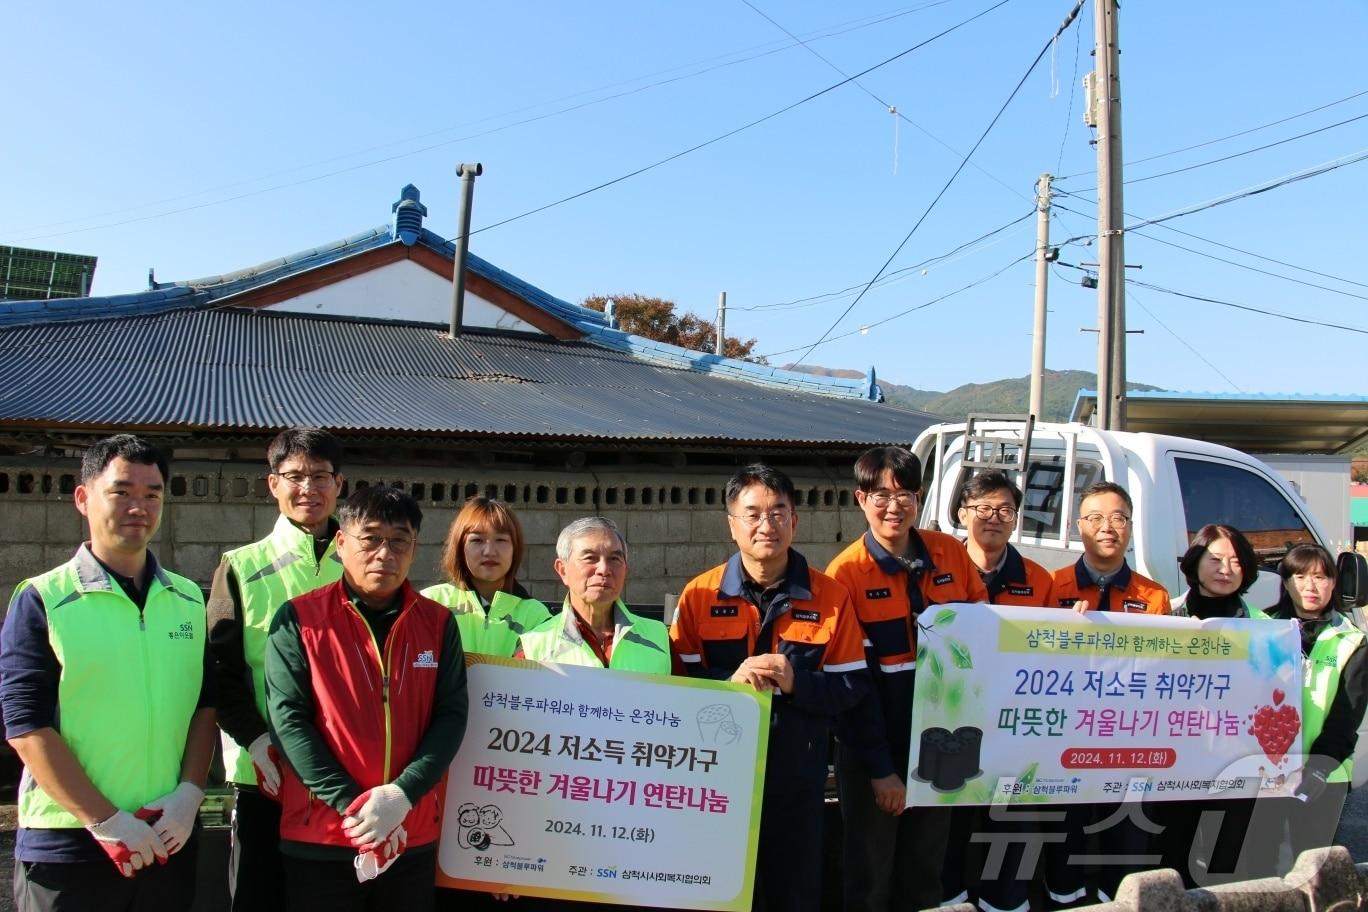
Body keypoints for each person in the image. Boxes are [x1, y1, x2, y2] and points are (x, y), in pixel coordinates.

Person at [1, 434, 216, 911]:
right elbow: (27, 727)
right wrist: (106, 820)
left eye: (152, 494)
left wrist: (189, 794)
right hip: (71, 841)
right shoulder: (43, 598)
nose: (138, 506)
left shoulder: (186, 598)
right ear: (83, 498)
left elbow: (203, 703)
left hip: (166, 834)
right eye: (121, 491)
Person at [671, 464, 868, 912]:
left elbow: (852, 686)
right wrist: (729, 683)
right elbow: (676, 688)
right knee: (714, 891)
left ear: (795, 521)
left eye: (779, 511)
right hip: (713, 782)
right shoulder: (698, 596)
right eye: (754, 513)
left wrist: (798, 682)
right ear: (732, 524)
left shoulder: (831, 597)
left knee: (792, 893)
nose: (767, 524)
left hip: (796, 784)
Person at [265, 485, 469, 912]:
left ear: (414, 548)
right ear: (341, 543)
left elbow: (450, 716)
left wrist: (401, 798)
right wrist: (355, 811)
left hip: (409, 834)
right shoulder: (299, 619)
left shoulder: (436, 623)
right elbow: (288, 721)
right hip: (322, 836)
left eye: (399, 541)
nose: (384, 553)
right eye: (371, 538)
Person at [824, 447, 987, 912]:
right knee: (869, 875)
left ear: (919, 497)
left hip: (941, 745)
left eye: (904, 494)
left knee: (925, 870)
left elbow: (982, 632)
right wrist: (880, 770)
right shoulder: (846, 575)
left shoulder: (951, 553)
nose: (893, 506)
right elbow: (851, 685)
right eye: (880, 494)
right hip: (876, 749)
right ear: (861, 499)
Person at [208, 427, 346, 911]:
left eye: (320, 476)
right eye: (295, 476)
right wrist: (256, 740)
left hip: (345, 773)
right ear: (273, 485)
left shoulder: (364, 566)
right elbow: (219, 672)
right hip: (263, 773)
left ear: (339, 484)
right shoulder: (240, 567)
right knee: (257, 895)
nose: (308, 488)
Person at [1046, 480, 1171, 906]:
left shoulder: (1153, 596)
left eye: (1118, 518)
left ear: (1131, 527)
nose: (1107, 527)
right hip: (1067, 746)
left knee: (1128, 848)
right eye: (1096, 518)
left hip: (1130, 746)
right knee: (1066, 849)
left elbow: (1162, 672)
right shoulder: (1052, 588)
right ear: (1078, 525)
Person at [953, 470, 1056, 912]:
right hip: (952, 725)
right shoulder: (938, 571)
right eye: (983, 508)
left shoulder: (1039, 579)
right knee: (949, 829)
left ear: (1016, 519)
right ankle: (952, 899)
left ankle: (1006, 903)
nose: (993, 518)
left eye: (1005, 510)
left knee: (1012, 829)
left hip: (1016, 729)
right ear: (962, 514)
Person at [1248, 543, 1368, 875]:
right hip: (1265, 771)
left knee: (1314, 867)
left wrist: (1318, 768)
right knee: (1259, 864)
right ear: (1284, 581)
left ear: (1334, 583)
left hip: (1323, 775)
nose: (1311, 586)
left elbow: (1348, 716)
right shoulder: (1260, 629)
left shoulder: (1351, 641)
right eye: (1300, 576)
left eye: (1321, 576)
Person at [1155, 524, 1263, 886]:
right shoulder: (1165, 619)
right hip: (1174, 763)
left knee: (1225, 863)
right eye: (1215, 559)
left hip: (1237, 764)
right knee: (1170, 861)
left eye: (1235, 561)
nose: (1225, 569)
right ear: (1195, 562)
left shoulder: (1267, 629)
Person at [518, 516, 669, 674]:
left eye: (614, 558)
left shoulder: (659, 637)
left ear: (626, 569)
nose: (603, 569)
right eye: (590, 558)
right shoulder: (533, 647)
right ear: (562, 570)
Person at [423, 496, 550, 657]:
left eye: (501, 540)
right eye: (477, 540)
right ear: (460, 547)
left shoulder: (537, 617)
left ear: (515, 548)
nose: (490, 551)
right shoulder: (430, 604)